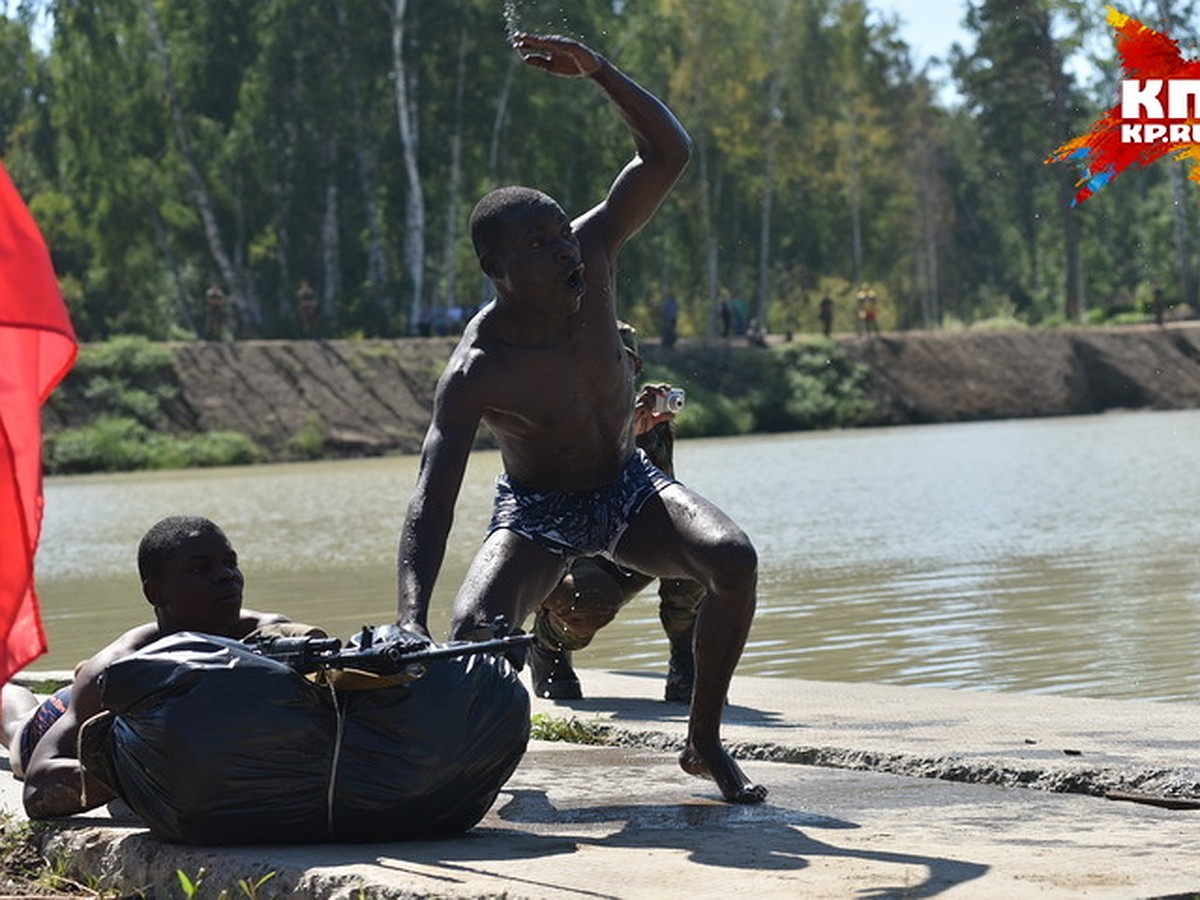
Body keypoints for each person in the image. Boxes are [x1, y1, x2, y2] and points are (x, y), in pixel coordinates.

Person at [396, 32, 766, 804]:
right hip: (541, 511)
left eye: (563, 229)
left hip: (628, 488)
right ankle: (468, 768)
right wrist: (409, 617)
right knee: (476, 639)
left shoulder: (595, 253)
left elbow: (669, 153)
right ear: (498, 270)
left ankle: (702, 744)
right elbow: (433, 496)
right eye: (539, 244)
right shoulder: (477, 368)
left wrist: (598, 71)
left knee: (732, 561)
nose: (565, 249)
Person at [1, 515, 295, 819]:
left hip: (106, 702)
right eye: (200, 568)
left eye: (230, 563)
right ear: (155, 593)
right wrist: (151, 767)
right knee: (15, 721)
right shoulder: (117, 666)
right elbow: (38, 785)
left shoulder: (270, 634)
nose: (226, 576)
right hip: (59, 718)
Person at [529, 323, 704, 704]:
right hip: (572, 552)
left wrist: (640, 435)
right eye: (602, 361)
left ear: (635, 368)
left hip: (627, 542)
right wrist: (620, 432)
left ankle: (684, 663)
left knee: (701, 552)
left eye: (624, 363)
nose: (612, 372)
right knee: (590, 602)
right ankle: (546, 646)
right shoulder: (554, 416)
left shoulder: (647, 421)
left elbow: (662, 498)